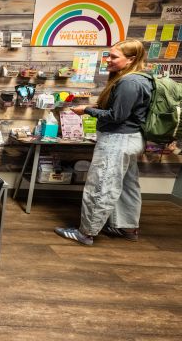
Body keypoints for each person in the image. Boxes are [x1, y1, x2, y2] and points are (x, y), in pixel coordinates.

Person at [55, 39, 151, 246]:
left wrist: (87, 110)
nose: (108, 60)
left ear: (131, 59)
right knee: (127, 186)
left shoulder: (129, 82)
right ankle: (128, 228)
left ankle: (86, 233)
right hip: (132, 139)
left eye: (114, 56)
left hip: (118, 140)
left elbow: (116, 116)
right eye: (109, 55)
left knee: (101, 185)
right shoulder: (143, 78)